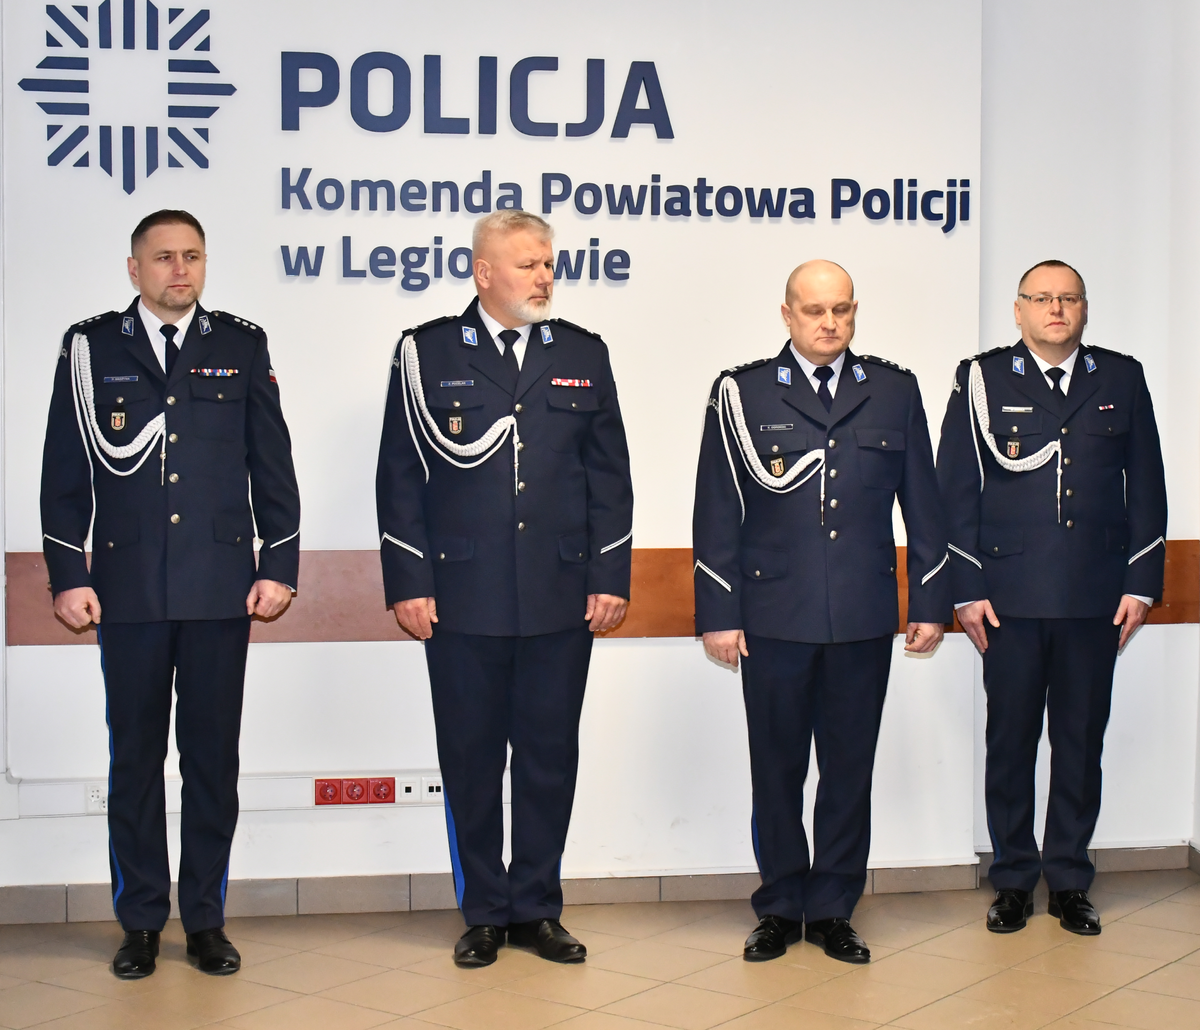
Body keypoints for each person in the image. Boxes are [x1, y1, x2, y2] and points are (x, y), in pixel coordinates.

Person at [39, 210, 300, 979]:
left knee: (212, 762)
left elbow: (272, 463)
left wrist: (279, 563)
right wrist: (69, 574)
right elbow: (63, 470)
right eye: (163, 258)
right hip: (127, 592)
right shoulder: (90, 348)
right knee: (135, 761)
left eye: (191, 256)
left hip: (221, 590)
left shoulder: (240, 345)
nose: (179, 270)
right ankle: (142, 922)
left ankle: (206, 921)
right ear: (135, 269)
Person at [375, 210, 634, 968]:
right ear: (484, 272)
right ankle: (485, 911)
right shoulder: (426, 352)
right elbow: (400, 476)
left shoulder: (583, 353)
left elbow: (610, 476)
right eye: (528, 265)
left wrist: (608, 575)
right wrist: (409, 580)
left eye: (549, 263)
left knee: (550, 757)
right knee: (472, 757)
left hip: (560, 593)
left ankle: (537, 909)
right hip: (461, 595)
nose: (544, 276)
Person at [692, 260, 950, 964]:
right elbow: (717, 510)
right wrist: (719, 612)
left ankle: (834, 906)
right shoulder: (741, 393)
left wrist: (929, 600)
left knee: (848, 771)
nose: (830, 323)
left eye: (842, 309)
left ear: (855, 310)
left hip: (862, 617)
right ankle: (780, 905)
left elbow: (924, 506)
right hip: (772, 616)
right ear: (787, 315)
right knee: (776, 770)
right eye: (814, 311)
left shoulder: (893, 391)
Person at [937, 260, 1166, 936]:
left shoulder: (1120, 379)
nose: (1056, 309)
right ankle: (1012, 880)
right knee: (1010, 744)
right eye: (1042, 299)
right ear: (1019, 310)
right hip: (1006, 600)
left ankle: (1068, 879)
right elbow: (956, 491)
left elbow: (1146, 484)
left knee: (1079, 743)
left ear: (1084, 308)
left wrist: (1141, 582)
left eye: (1069, 298)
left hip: (1095, 598)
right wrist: (966, 589)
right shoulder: (981, 379)